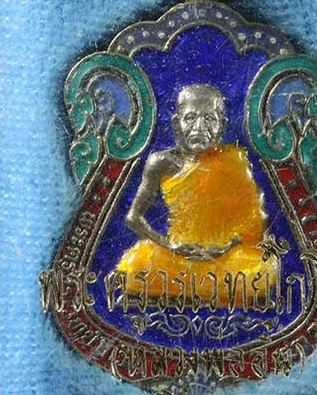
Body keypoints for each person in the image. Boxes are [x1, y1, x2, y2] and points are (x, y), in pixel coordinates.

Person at [115, 83, 277, 307]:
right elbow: (133, 218)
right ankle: (211, 291)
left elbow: (255, 222)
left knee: (263, 269)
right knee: (134, 267)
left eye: (209, 119)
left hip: (223, 258)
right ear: (176, 124)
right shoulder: (161, 163)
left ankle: (189, 290)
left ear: (221, 126)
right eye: (190, 118)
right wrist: (169, 245)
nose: (199, 127)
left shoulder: (234, 164)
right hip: (176, 256)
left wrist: (227, 246)